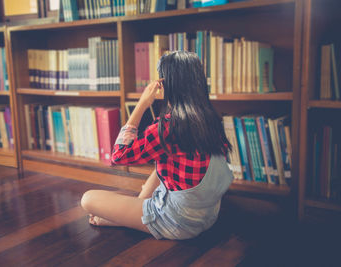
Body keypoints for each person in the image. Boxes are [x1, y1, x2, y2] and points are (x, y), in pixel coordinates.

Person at [81, 51, 234, 240]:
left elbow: (118, 156)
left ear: (166, 84)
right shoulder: (210, 118)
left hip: (177, 223)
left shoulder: (168, 127)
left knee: (87, 199)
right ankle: (134, 213)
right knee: (160, 162)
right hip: (207, 216)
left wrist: (142, 104)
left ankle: (131, 219)